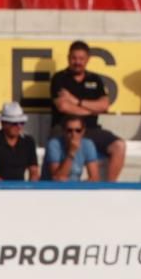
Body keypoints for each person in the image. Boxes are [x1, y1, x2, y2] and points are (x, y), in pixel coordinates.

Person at [50, 41, 126, 181]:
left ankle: (110, 187)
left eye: (81, 59)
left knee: (119, 146)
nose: (77, 62)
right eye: (74, 58)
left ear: (88, 59)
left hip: (91, 129)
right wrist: (92, 110)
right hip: (65, 129)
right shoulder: (59, 78)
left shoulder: (95, 79)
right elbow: (63, 107)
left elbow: (104, 106)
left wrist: (76, 101)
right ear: (68, 58)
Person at [0, 102, 39, 181]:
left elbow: (34, 171)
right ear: (3, 124)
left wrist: (30, 188)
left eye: (22, 123)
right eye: (14, 123)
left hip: (20, 190)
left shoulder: (28, 142)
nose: (19, 127)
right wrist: (7, 189)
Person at [44, 115, 100, 182]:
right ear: (63, 131)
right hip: (51, 189)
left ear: (83, 131)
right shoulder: (54, 144)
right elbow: (58, 178)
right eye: (69, 131)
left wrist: (80, 186)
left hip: (74, 189)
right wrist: (71, 153)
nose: (73, 134)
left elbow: (94, 178)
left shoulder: (87, 144)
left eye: (78, 130)